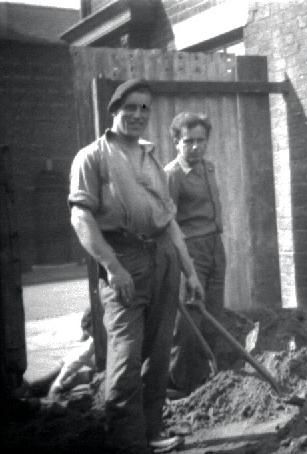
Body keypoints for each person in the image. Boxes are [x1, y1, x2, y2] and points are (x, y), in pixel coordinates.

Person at [68, 78, 205, 453]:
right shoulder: (91, 157)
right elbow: (81, 218)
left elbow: (169, 220)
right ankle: (127, 443)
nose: (138, 115)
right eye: (130, 107)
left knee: (158, 354)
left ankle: (152, 430)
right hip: (124, 262)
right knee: (126, 357)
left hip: (163, 258)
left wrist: (189, 271)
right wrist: (112, 267)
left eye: (145, 108)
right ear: (114, 111)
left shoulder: (150, 158)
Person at [165, 112, 226, 396]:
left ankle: (205, 380)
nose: (195, 147)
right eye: (188, 141)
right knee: (189, 320)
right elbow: (168, 222)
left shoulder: (209, 168)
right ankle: (179, 383)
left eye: (201, 141)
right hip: (191, 251)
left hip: (215, 247)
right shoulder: (172, 175)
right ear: (176, 142)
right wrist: (185, 265)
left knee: (213, 315)